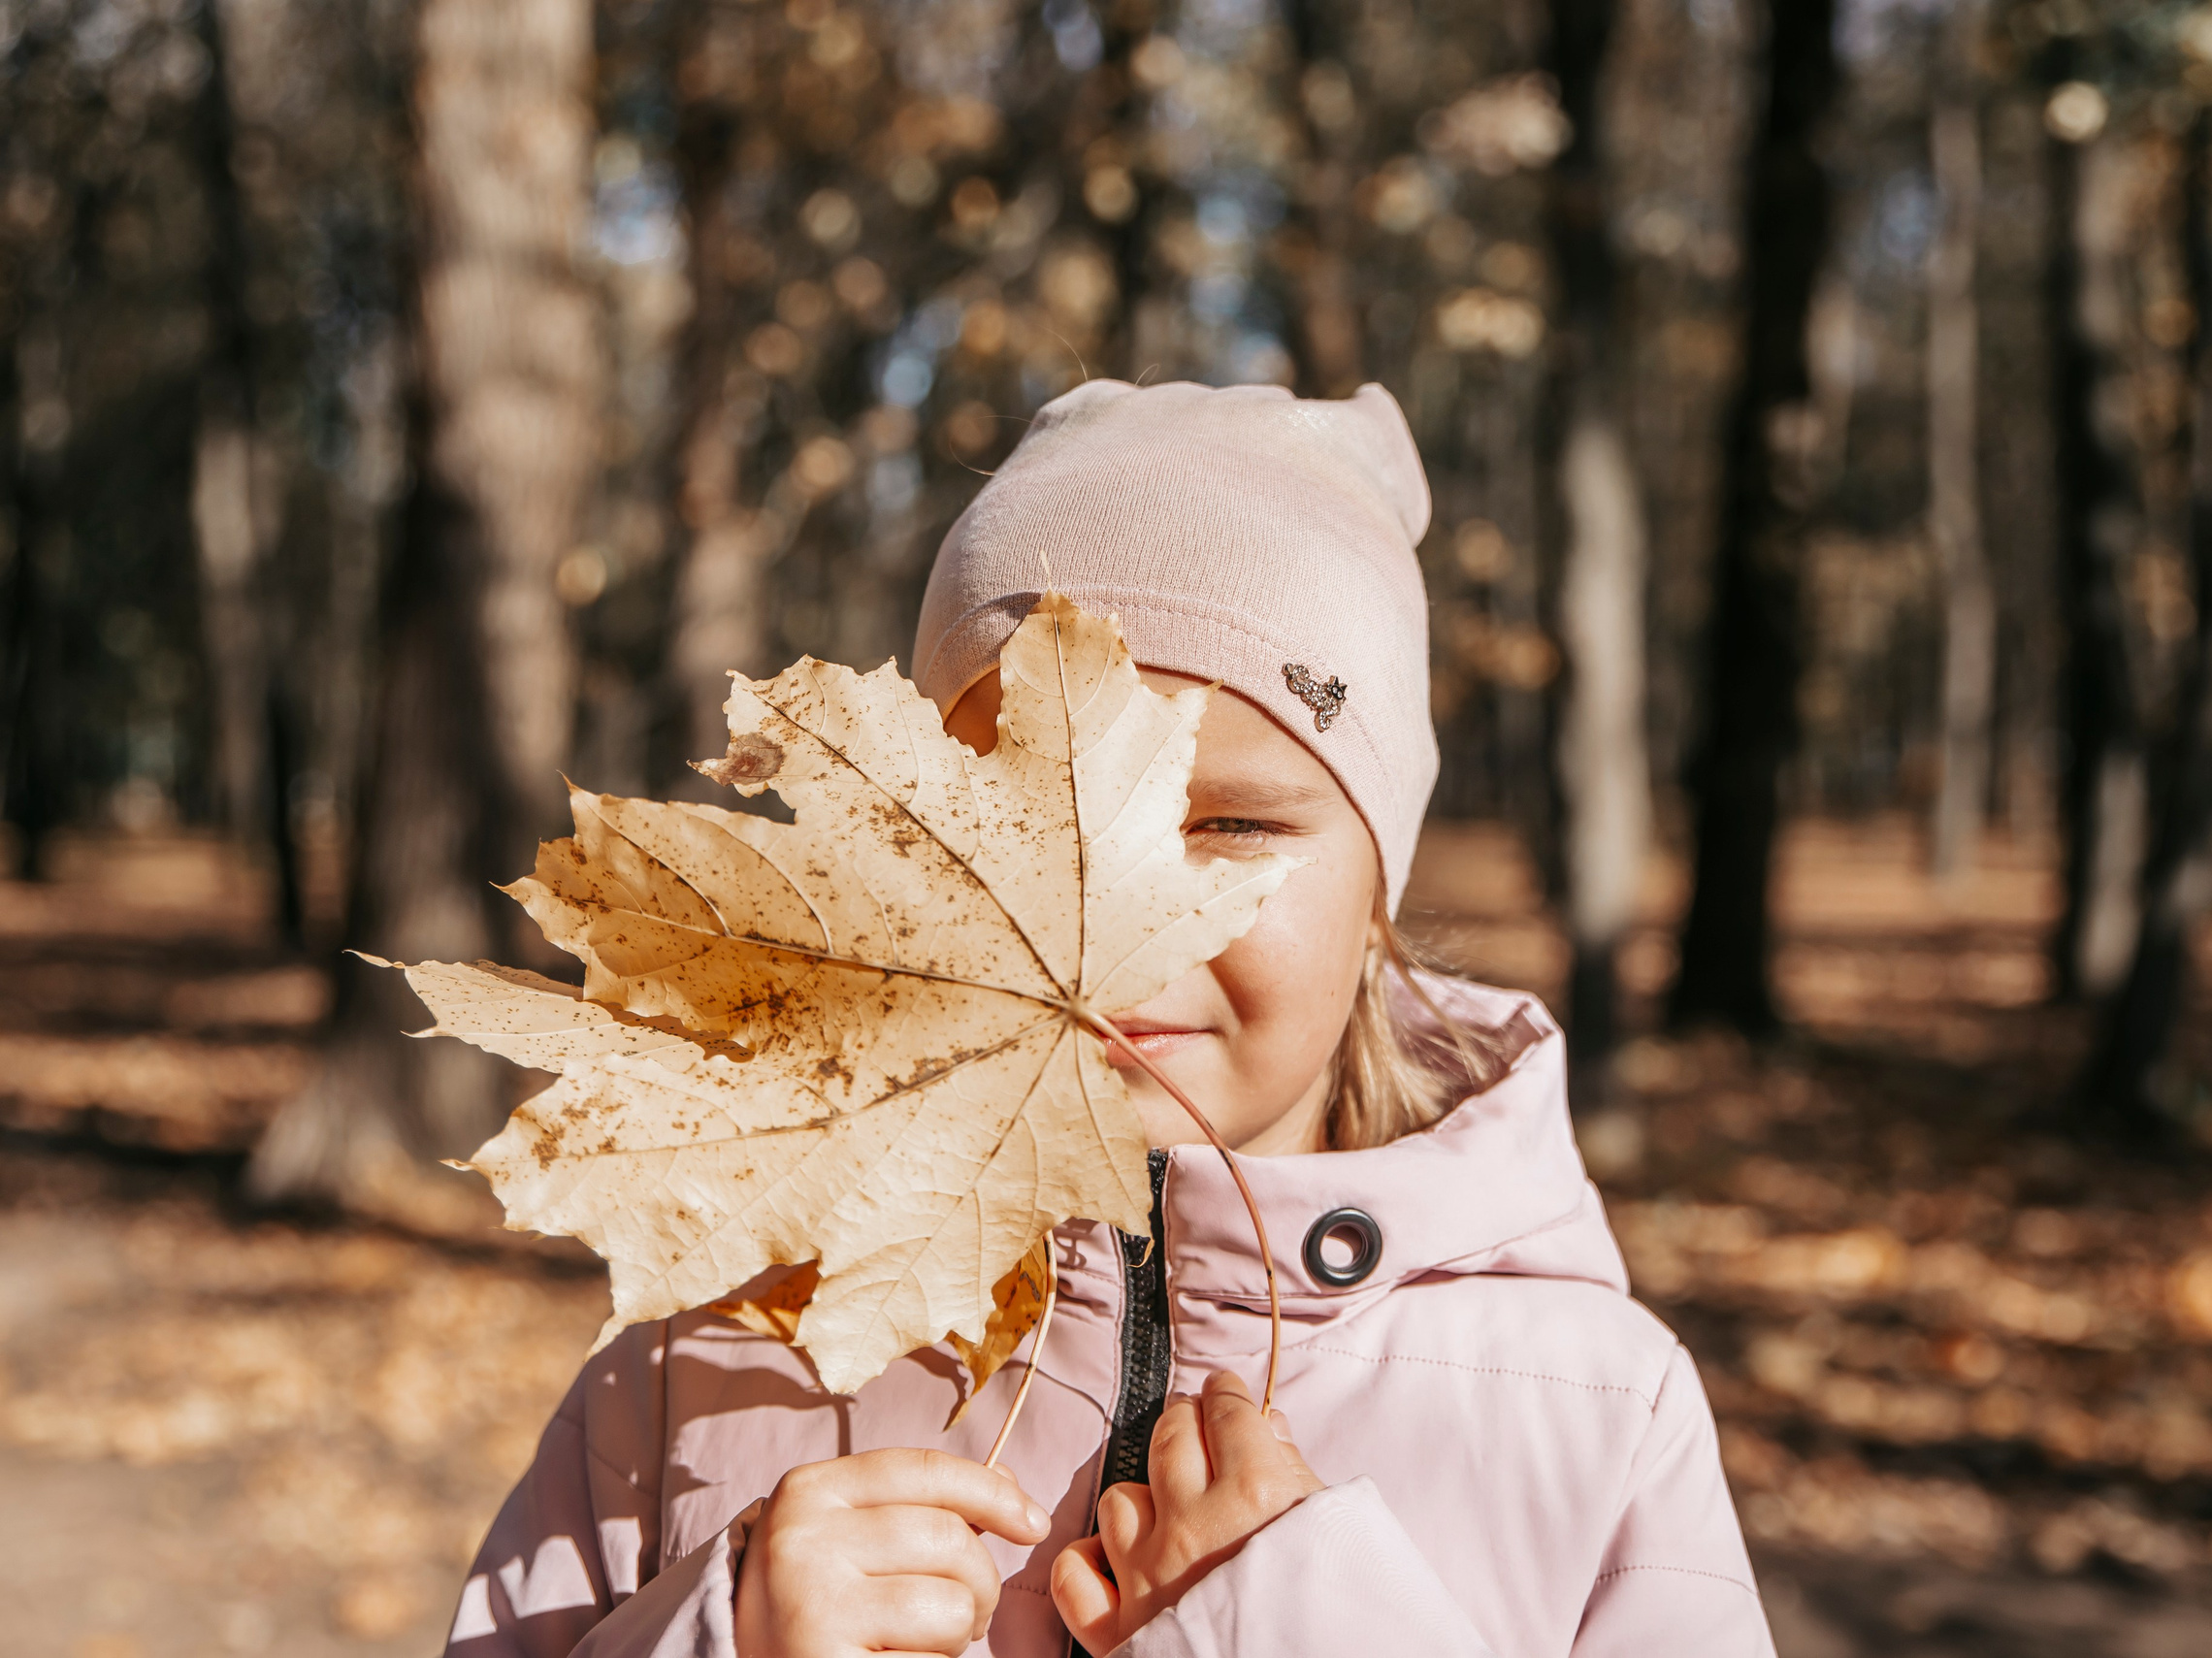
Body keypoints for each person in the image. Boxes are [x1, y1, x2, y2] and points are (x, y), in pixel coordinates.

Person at [443, 380, 1774, 1658]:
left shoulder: (1597, 1412)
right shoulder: (718, 1354)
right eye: (1029, 828)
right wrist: (715, 1638)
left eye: (1230, 825)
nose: (1112, 922)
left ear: (1383, 879)